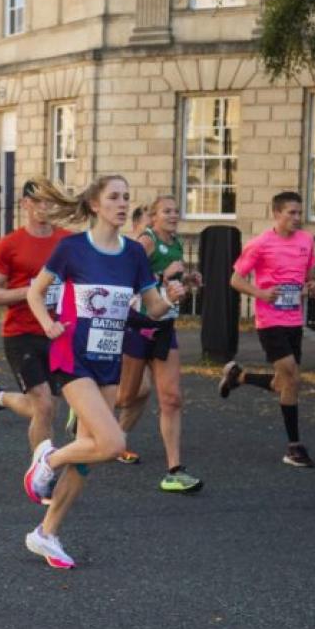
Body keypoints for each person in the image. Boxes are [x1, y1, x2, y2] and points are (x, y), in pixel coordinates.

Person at [25, 175, 185, 569]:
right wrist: (47, 323)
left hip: (108, 359)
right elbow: (35, 291)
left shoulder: (133, 253)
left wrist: (170, 298)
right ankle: (47, 459)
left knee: (88, 456)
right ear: (95, 205)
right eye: (113, 196)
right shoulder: (72, 248)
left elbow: (149, 310)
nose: (121, 203)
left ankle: (46, 534)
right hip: (71, 356)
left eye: (126, 197)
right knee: (113, 443)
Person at [219, 191, 315, 467]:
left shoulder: (307, 241)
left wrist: (310, 286)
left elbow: (308, 275)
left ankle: (239, 377)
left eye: (300, 213)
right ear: (276, 214)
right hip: (270, 320)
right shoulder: (260, 244)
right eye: (292, 213)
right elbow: (236, 279)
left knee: (284, 382)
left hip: (293, 320)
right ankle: (294, 447)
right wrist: (260, 294)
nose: (298, 218)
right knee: (292, 377)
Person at [115, 195, 203, 492]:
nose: (174, 215)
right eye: (167, 210)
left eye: (177, 210)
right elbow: (124, 276)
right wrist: (161, 277)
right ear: (153, 217)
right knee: (127, 397)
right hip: (139, 326)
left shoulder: (176, 243)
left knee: (172, 398)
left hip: (165, 326)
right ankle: (87, 404)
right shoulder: (146, 241)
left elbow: (170, 284)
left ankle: (174, 470)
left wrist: (188, 279)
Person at [0, 179, 72, 452]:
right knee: (42, 403)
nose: (46, 207)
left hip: (56, 332)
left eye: (50, 201)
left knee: (47, 408)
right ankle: (41, 473)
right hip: (21, 334)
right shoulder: (9, 245)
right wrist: (32, 292)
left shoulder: (67, 241)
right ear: (25, 204)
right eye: (40, 200)